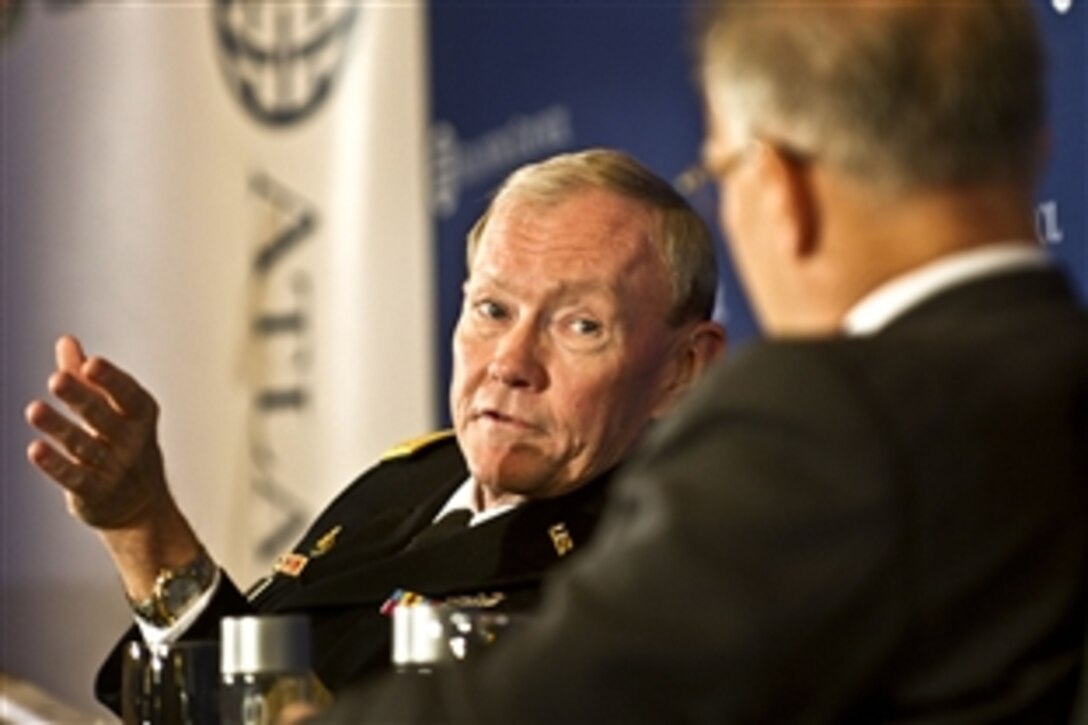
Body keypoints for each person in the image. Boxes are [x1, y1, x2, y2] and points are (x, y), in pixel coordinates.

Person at [322, 2, 1088, 722]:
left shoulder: (830, 424)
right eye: (491, 309)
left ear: (780, 187)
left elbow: (560, 698)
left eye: (721, 172)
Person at [22, 149, 726, 710]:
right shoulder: (414, 480)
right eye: (492, 309)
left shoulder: (652, 579)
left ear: (682, 369)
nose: (510, 363)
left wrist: (151, 528)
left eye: (580, 325)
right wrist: (137, 524)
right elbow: (250, 675)